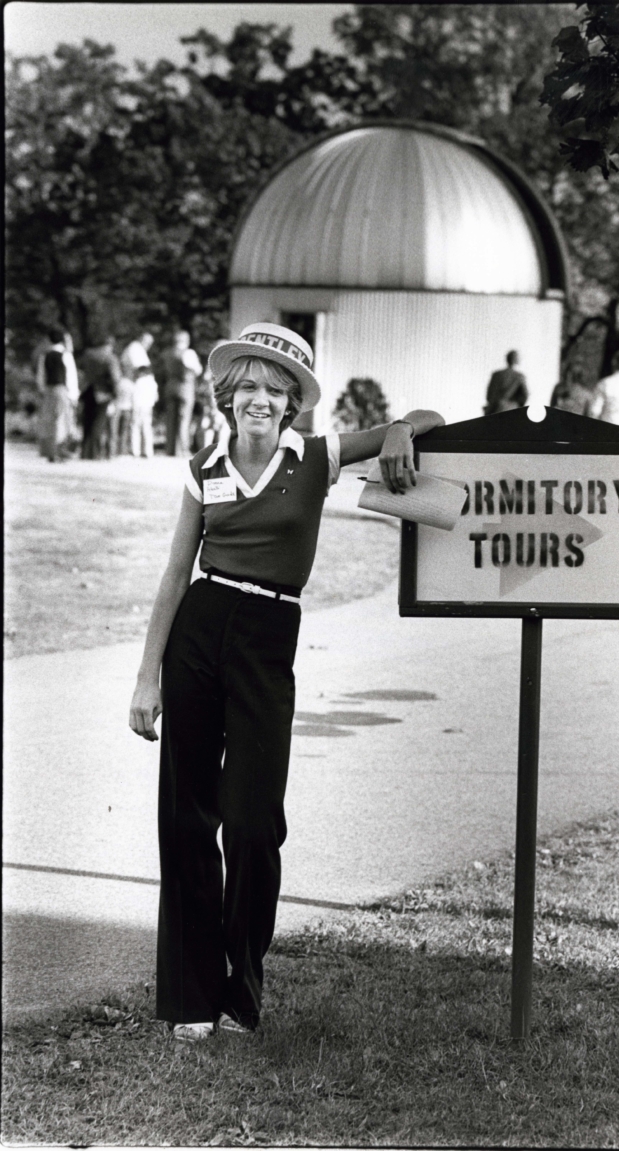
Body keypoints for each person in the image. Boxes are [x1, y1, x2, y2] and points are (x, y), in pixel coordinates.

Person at [128, 321, 445, 1043]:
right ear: (227, 398)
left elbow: (433, 419)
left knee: (251, 821)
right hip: (199, 632)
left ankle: (242, 990)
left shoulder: (316, 456)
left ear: (294, 402)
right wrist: (147, 676)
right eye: (248, 389)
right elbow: (177, 573)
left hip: (269, 637)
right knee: (185, 818)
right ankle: (191, 997)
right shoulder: (202, 465)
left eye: (275, 390)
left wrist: (400, 429)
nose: (261, 401)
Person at [37, 327, 78, 462]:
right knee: (61, 421)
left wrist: (42, 390)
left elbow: (41, 375)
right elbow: (71, 377)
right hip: (62, 390)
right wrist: (73, 395)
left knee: (49, 421)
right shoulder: (65, 355)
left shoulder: (45, 355)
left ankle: (50, 451)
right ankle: (60, 451)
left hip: (49, 389)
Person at [160, 330, 203, 456]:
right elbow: (197, 370)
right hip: (185, 387)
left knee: (170, 419)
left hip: (170, 386)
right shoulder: (189, 353)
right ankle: (182, 449)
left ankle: (170, 449)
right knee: (184, 419)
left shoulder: (167, 353)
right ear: (186, 340)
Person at [80, 330, 122, 459]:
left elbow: (81, 370)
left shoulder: (87, 355)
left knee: (87, 421)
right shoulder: (110, 357)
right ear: (109, 344)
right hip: (103, 391)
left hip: (87, 390)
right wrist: (116, 394)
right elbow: (116, 378)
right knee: (98, 423)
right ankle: (95, 452)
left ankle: (85, 452)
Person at [122, 332, 158, 458]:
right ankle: (142, 450)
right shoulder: (135, 348)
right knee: (141, 422)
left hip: (142, 393)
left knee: (139, 422)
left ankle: (139, 450)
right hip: (142, 393)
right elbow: (140, 369)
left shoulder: (137, 349)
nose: (148, 346)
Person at [484, 350, 528, 415]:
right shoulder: (519, 376)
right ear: (516, 360)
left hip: (494, 410)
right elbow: (524, 396)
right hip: (512, 410)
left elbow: (489, 395)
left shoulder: (496, 374)